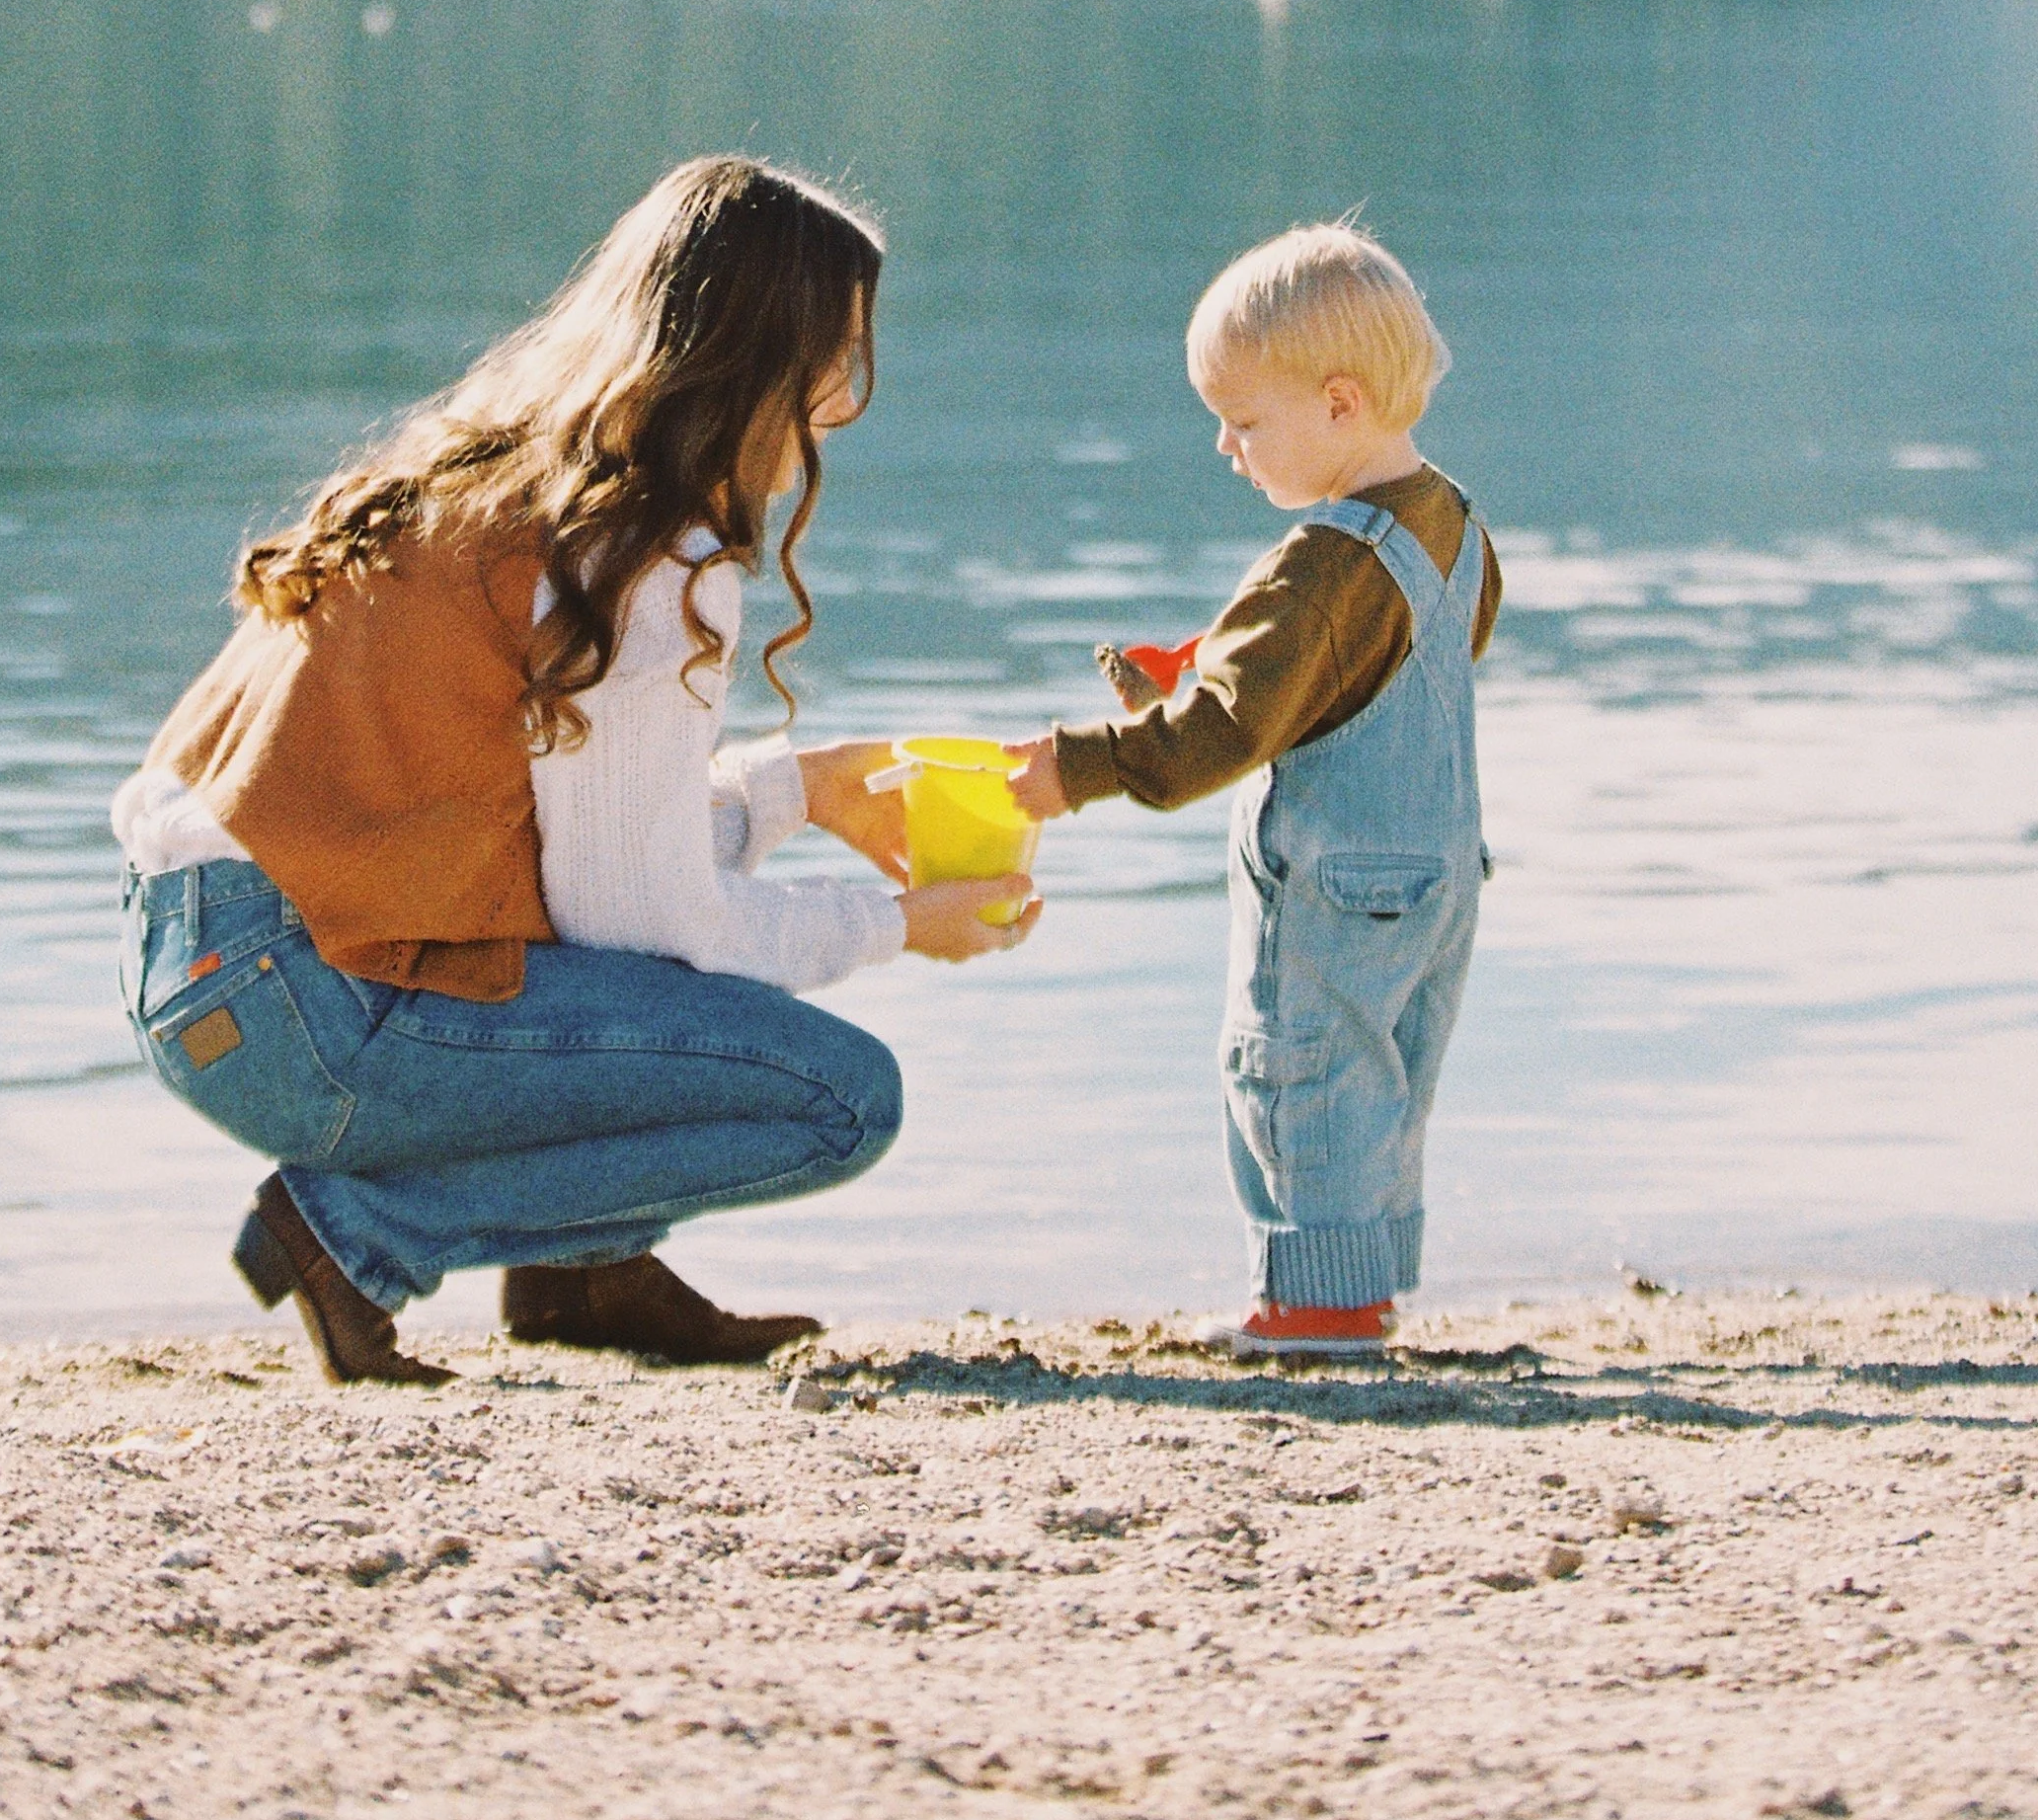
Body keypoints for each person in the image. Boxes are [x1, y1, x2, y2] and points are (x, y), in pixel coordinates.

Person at [114, 156, 1037, 1389]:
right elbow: (640, 917)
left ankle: (582, 1269)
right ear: (752, 358)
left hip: (210, 972)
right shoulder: (652, 553)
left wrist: (796, 791)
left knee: (662, 994)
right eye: (834, 362)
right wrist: (893, 925)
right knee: (839, 1097)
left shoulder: (500, 477)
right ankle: (359, 1235)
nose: (837, 405)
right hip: (315, 1007)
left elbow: (576, 854)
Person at [1004, 220, 1497, 1354]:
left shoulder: (1321, 559)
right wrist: (1224, 660)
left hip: (1334, 877)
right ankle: (1361, 1282)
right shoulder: (1454, 522)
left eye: (1242, 420)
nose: (1226, 446)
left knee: (1296, 1069)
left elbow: (1215, 739)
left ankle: (1317, 1307)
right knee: (1387, 1071)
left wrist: (1077, 768)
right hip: (1440, 870)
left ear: (1337, 404)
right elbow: (1401, 651)